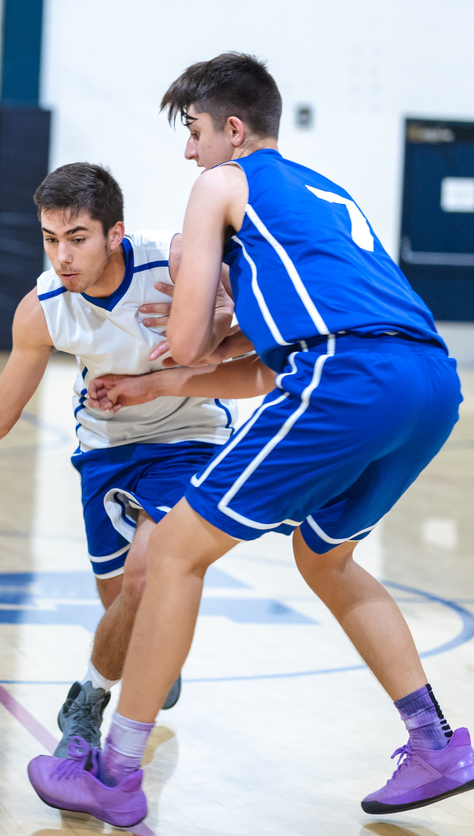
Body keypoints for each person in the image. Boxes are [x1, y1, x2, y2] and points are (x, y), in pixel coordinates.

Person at [28, 53, 471, 829]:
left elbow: (194, 336)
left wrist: (192, 333)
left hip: (348, 374)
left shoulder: (220, 185)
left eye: (194, 131)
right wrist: (169, 379)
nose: (189, 151)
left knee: (172, 552)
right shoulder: (322, 192)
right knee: (323, 556)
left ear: (232, 130)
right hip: (430, 380)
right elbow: (269, 369)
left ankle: (118, 773)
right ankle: (436, 742)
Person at [0, 162, 241, 755]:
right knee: (123, 604)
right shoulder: (44, 306)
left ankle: (88, 699)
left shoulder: (175, 263)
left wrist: (219, 322)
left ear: (114, 234)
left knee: (145, 576)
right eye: (51, 239)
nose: (62, 256)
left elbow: (257, 323)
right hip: (105, 445)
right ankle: (148, 647)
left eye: (77, 239)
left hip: (190, 436)